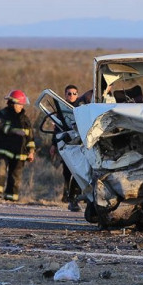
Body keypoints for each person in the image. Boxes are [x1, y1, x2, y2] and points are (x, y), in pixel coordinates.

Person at [0, 90, 36, 201]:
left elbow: (30, 137)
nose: (22, 106)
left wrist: (31, 151)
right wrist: (14, 131)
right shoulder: (2, 114)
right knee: (1, 170)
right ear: (12, 103)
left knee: (15, 176)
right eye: (20, 104)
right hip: (4, 150)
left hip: (20, 152)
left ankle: (11, 199)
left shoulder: (25, 119)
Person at [51, 84, 83, 212]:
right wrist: (53, 144)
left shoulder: (81, 109)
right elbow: (56, 128)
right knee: (66, 172)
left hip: (79, 144)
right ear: (65, 95)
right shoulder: (61, 110)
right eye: (69, 93)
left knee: (78, 172)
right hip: (65, 144)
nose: (72, 96)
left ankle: (74, 197)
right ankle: (66, 195)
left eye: (74, 93)